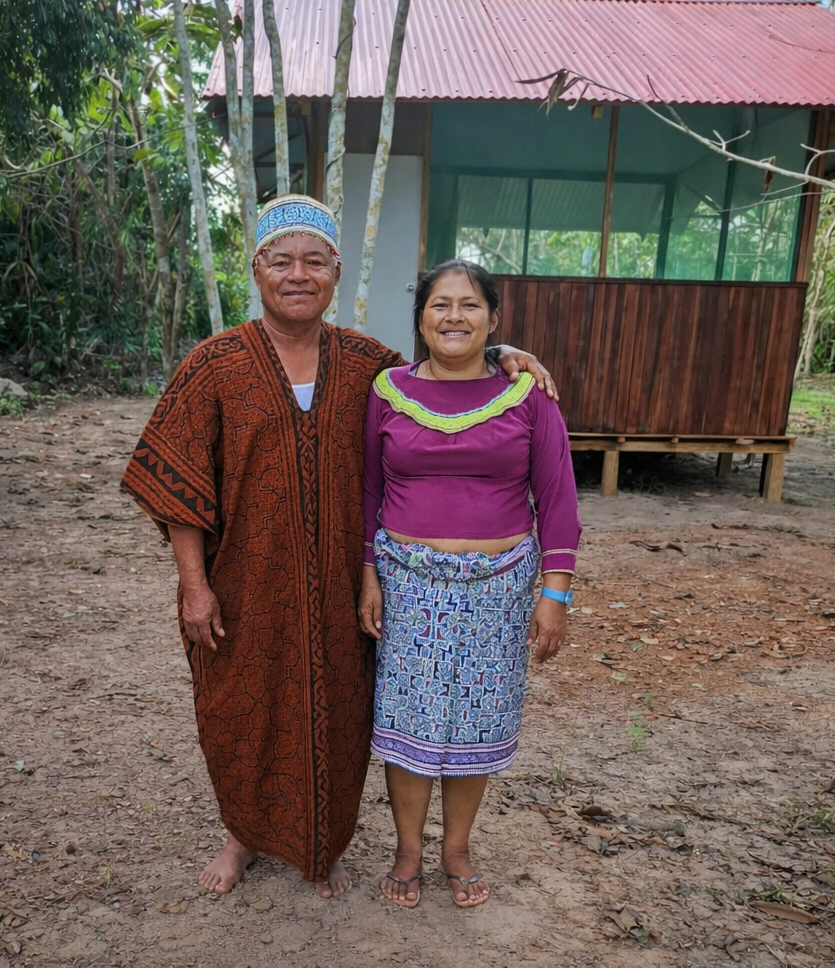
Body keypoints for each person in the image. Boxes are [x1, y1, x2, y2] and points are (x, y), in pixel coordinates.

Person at [121, 196, 558, 898]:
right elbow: (180, 487)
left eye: (314, 261)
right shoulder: (214, 365)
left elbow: (445, 367)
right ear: (257, 268)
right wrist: (195, 585)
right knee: (241, 707)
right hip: (244, 586)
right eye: (282, 260)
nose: (299, 274)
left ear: (335, 272)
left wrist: (503, 355)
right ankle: (241, 835)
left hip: (342, 590)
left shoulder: (368, 367)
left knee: (338, 710)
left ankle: (317, 844)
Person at [359, 258, 581, 909]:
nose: (454, 316)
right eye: (440, 305)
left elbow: (559, 496)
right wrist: (366, 573)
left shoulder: (528, 395)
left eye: (469, 306)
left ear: (492, 319)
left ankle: (456, 848)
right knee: (408, 718)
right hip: (407, 585)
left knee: (477, 721)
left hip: (500, 588)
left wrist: (555, 593)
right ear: (421, 317)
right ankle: (407, 849)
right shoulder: (387, 390)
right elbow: (369, 489)